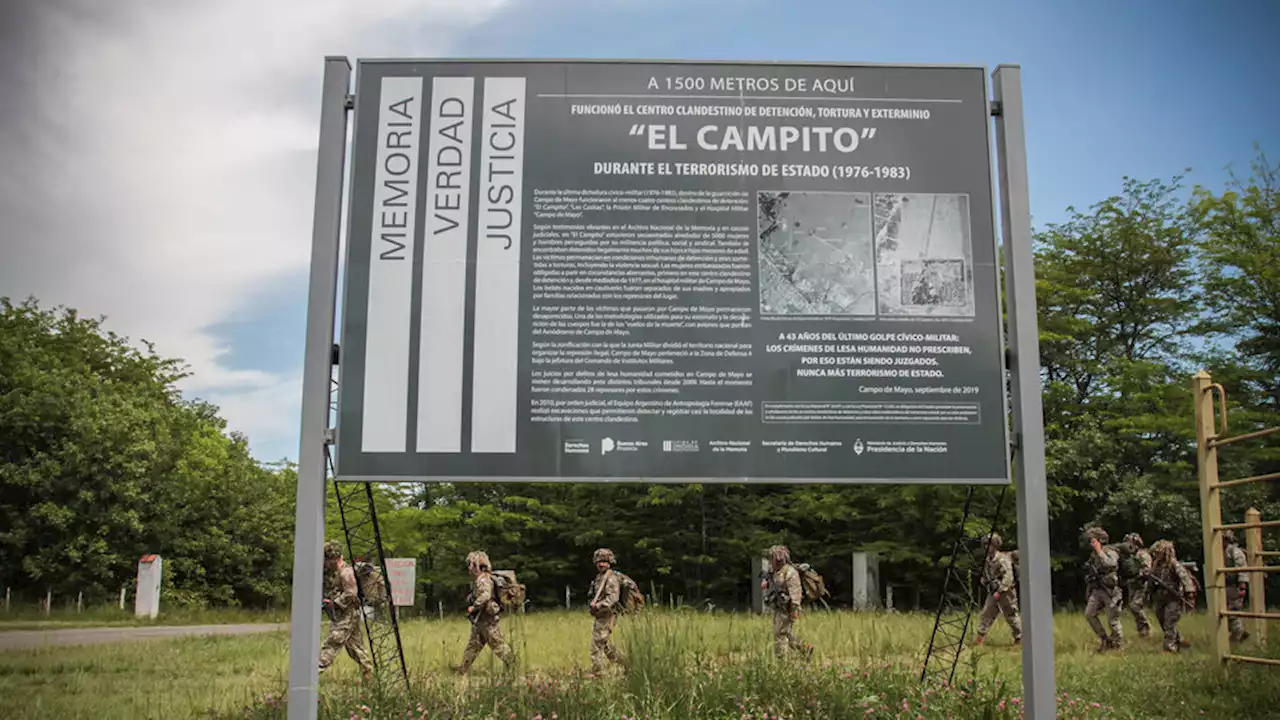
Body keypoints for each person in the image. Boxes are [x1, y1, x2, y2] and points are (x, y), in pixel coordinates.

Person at [453, 550, 515, 675]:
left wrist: (474, 606)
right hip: (481, 620)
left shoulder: (483, 580)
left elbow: (486, 595)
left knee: (497, 643)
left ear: (476, 566)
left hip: (487, 619)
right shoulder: (483, 579)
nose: (469, 569)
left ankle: (513, 664)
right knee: (473, 645)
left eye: (470, 565)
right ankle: (463, 669)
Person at [319, 540, 373, 679]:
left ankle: (313, 672)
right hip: (346, 614)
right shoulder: (338, 572)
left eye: (325, 560)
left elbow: (351, 593)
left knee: (332, 642)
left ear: (332, 559)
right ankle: (370, 676)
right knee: (355, 648)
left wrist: (334, 603)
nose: (324, 564)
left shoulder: (346, 572)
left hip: (348, 614)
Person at [760, 545, 813, 659]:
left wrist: (794, 610)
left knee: (780, 633)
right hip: (779, 606)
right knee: (784, 632)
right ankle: (805, 648)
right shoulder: (774, 571)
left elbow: (796, 592)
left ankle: (781, 659)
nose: (771, 561)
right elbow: (769, 579)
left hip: (788, 607)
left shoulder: (790, 572)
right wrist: (765, 581)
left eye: (773, 559)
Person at [1143, 540, 1196, 653]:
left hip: (1173, 599)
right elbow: (1151, 581)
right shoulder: (1155, 565)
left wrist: (1190, 593)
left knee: (1169, 622)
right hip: (1159, 598)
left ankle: (1169, 647)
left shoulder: (1173, 564)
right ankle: (1178, 639)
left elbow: (1185, 578)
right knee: (1162, 622)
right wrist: (1148, 592)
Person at [973, 532, 1022, 645]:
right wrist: (984, 579)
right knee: (987, 613)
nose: (986, 547)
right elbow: (987, 572)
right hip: (993, 590)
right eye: (985, 545)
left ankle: (1019, 638)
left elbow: (1008, 577)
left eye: (989, 545)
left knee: (1011, 615)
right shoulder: (988, 559)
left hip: (1006, 592)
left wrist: (1000, 591)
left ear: (995, 546)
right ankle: (980, 638)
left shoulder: (1002, 560)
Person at [587, 548, 629, 677]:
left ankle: (598, 672)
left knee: (597, 644)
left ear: (610, 562)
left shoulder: (610, 578)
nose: (601, 564)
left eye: (605, 561)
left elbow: (612, 598)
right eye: (599, 561)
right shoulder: (599, 577)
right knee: (605, 645)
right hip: (601, 615)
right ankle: (627, 664)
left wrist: (598, 605)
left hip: (608, 614)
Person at [1082, 527, 1123, 652]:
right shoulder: (1093, 556)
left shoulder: (1111, 551)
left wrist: (1099, 551)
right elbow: (1091, 574)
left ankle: (1118, 644)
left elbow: (1110, 564)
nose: (1091, 543)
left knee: (1113, 621)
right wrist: (1088, 590)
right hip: (1097, 590)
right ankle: (1104, 639)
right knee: (1089, 614)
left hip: (1110, 591)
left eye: (1093, 540)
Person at [1119, 533, 1153, 638]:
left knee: (1135, 606)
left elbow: (1147, 570)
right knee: (1133, 607)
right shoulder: (1128, 556)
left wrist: (1139, 574)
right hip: (1132, 584)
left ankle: (1147, 627)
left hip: (1141, 584)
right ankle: (1142, 631)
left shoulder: (1143, 554)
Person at [1223, 530, 1250, 643]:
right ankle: (1239, 632)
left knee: (1232, 611)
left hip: (1234, 585)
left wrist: (1242, 586)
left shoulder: (1234, 551)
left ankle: (1238, 633)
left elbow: (1242, 568)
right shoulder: (1219, 551)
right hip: (1224, 586)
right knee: (1224, 612)